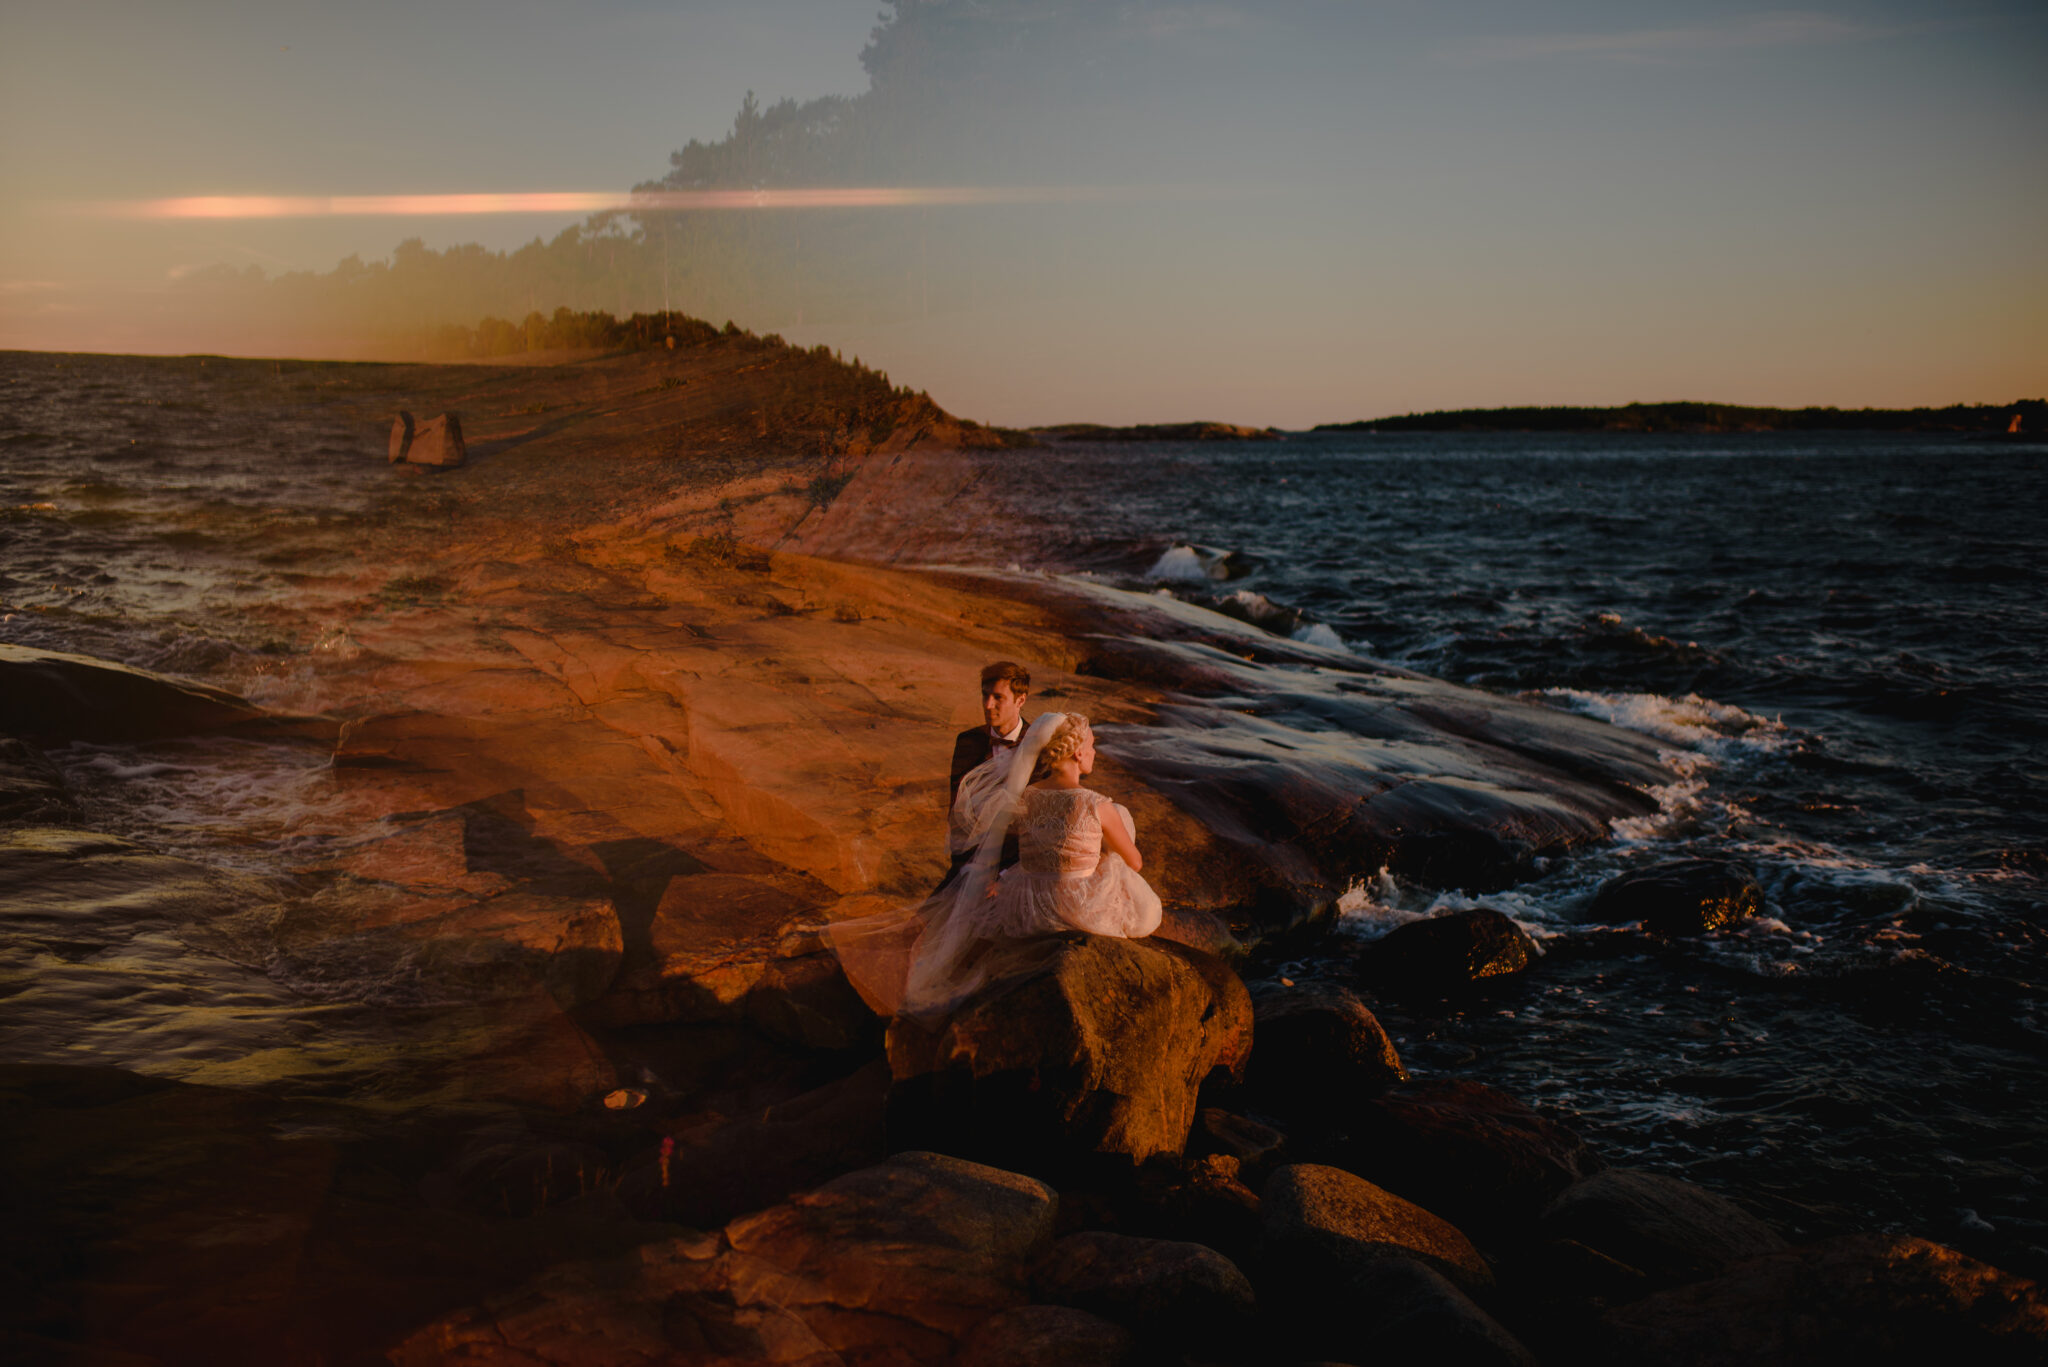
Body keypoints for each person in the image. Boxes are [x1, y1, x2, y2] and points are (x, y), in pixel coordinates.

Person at [826, 709, 1162, 1020]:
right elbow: (1135, 862)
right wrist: (1102, 856)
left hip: (1027, 905)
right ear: (1076, 753)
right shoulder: (1095, 803)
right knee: (1122, 824)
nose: (1093, 752)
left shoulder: (1025, 797)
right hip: (1076, 908)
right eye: (1091, 746)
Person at [943, 661, 1031, 883]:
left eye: (998, 697)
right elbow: (957, 810)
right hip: (971, 861)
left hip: (1018, 868)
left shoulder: (1038, 746)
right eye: (985, 695)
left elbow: (1038, 822)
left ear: (1020, 700)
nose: (988, 705)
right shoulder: (968, 741)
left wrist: (1004, 875)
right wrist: (965, 866)